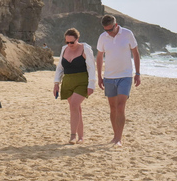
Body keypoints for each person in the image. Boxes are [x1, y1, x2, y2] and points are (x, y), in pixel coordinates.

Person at [96, 15, 141, 147]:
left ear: (116, 25)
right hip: (109, 77)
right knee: (113, 108)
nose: (108, 32)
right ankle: (115, 136)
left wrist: (137, 73)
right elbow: (99, 57)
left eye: (110, 29)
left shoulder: (127, 34)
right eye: (106, 30)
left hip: (125, 76)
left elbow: (136, 53)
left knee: (121, 106)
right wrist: (99, 76)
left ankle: (119, 138)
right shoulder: (102, 37)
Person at [53, 28, 97, 144]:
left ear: (77, 39)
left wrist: (91, 84)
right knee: (76, 109)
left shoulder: (85, 49)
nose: (69, 44)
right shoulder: (64, 49)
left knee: (74, 105)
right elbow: (60, 68)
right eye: (67, 42)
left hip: (82, 81)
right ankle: (81, 137)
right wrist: (56, 84)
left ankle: (73, 136)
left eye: (72, 42)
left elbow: (92, 67)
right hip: (68, 82)